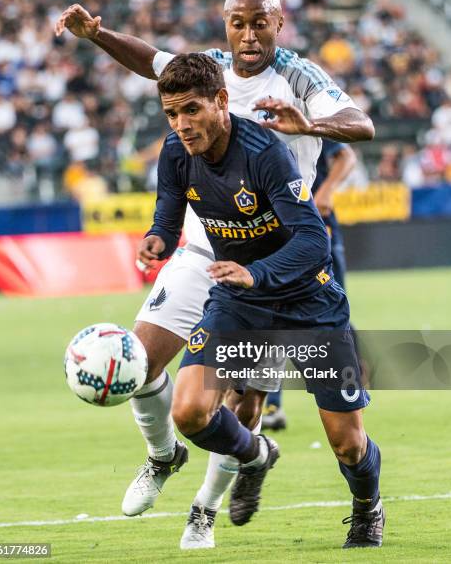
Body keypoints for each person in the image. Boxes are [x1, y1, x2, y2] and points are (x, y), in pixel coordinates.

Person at [55, 0, 375, 549]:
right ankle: (164, 457)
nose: (248, 34)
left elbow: (361, 124)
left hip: (286, 259)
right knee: (139, 362)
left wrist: (308, 124)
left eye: (260, 22)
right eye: (237, 22)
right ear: (225, 24)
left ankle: (207, 506)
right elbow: (153, 63)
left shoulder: (301, 79)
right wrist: (97, 33)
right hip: (210, 252)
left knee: (250, 404)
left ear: (280, 24)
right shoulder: (207, 73)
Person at [139, 52, 384, 549]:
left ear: (222, 102)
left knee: (348, 443)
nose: (182, 125)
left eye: (191, 111)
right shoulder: (175, 151)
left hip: (307, 300)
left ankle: (367, 506)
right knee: (189, 413)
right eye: (171, 114)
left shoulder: (264, 153)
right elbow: (168, 212)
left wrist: (256, 272)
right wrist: (157, 239)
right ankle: (254, 454)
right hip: (239, 299)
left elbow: (313, 240)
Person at [263, 140, 357, 430]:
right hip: (278, 230)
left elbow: (346, 156)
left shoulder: (302, 113)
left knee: (332, 309)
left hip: (317, 226)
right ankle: (271, 403)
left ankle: (348, 382)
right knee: (272, 316)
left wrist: (326, 191)